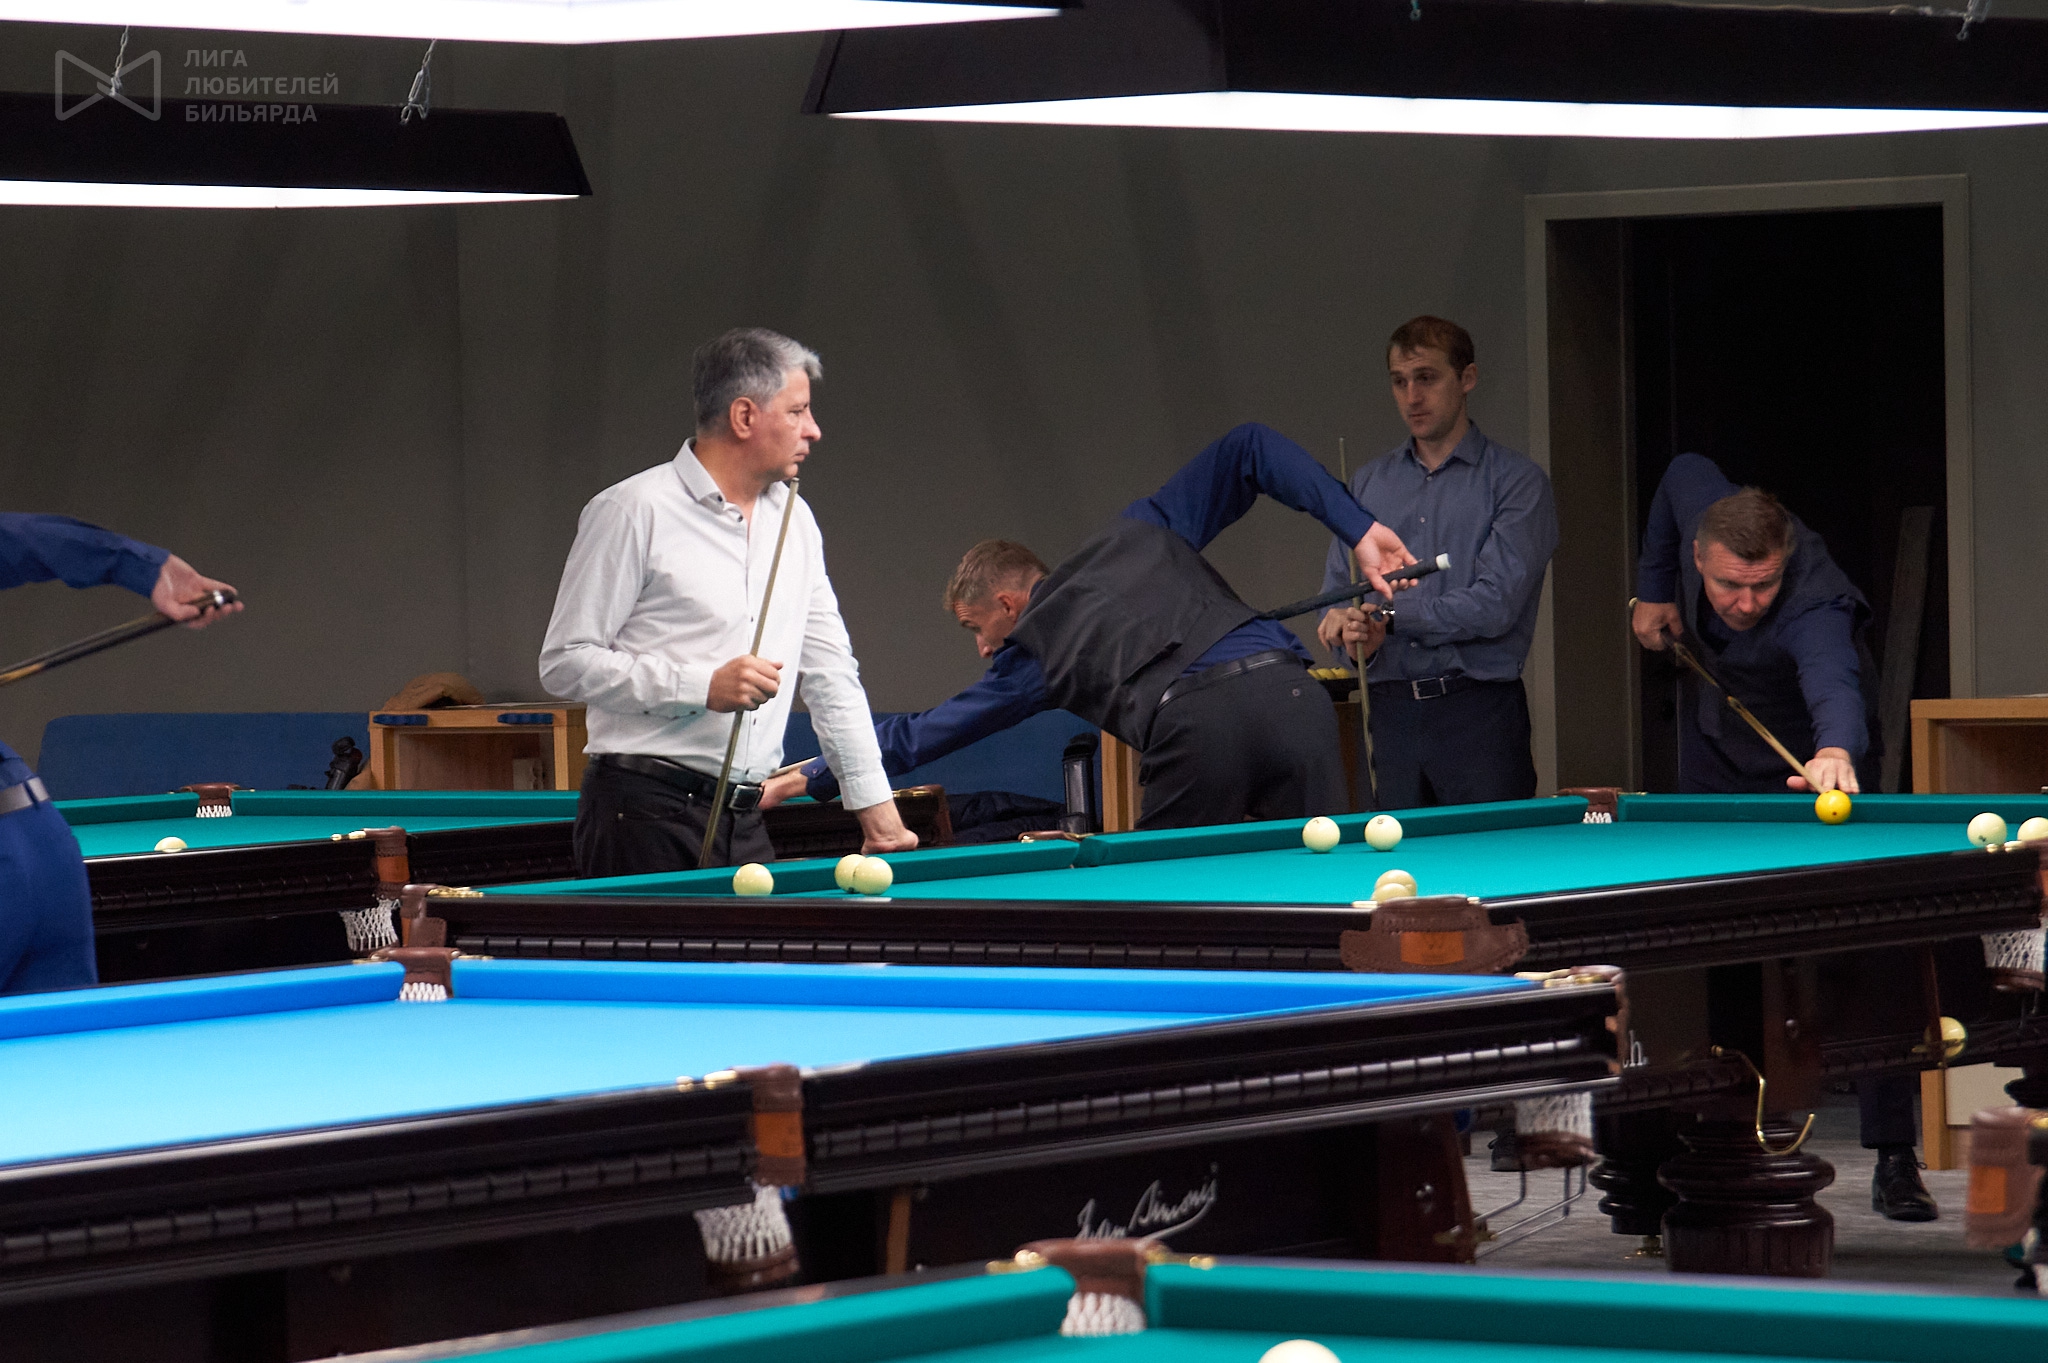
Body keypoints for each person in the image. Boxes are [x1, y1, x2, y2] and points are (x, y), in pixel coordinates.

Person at [766, 423, 1417, 829]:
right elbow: (1249, 447)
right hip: (1294, 695)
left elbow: (922, 734)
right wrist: (1358, 528)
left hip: (1199, 729)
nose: (984, 647)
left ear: (1010, 603)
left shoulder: (1034, 653)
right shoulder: (1141, 528)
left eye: (976, 627)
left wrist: (810, 775)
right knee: (1323, 885)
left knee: (1176, 919)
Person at [1631, 453, 1928, 1221]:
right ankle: (1722, 1126)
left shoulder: (1814, 602)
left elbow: (1835, 685)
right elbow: (1678, 472)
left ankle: (1895, 1155)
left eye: (1762, 585)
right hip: (1717, 745)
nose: (1746, 602)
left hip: (1817, 765)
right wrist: (1654, 587)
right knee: (1708, 929)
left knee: (1867, 939)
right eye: (1730, 584)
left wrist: (1836, 750)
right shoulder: (1699, 506)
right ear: (1702, 554)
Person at [539, 329, 915, 877]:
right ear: (744, 417)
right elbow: (565, 661)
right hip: (641, 814)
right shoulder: (633, 509)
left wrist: (876, 809)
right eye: (798, 411)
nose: (813, 429)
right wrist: (701, 687)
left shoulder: (795, 519)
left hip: (747, 818)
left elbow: (832, 672)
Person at [1317, 316, 1557, 810]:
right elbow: (1340, 598)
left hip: (1478, 715)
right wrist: (1352, 636)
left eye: (1426, 377)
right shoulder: (1366, 485)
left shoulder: (1517, 482)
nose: (1412, 397)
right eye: (1399, 381)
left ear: (1467, 378)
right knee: (1393, 856)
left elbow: (1495, 605)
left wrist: (1389, 617)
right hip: (1389, 716)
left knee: (1492, 857)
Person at [0, 518, 239, 994]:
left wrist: (148, 567)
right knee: (68, 1039)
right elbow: (17, 539)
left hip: (23, 849)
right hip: (38, 837)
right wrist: (147, 566)